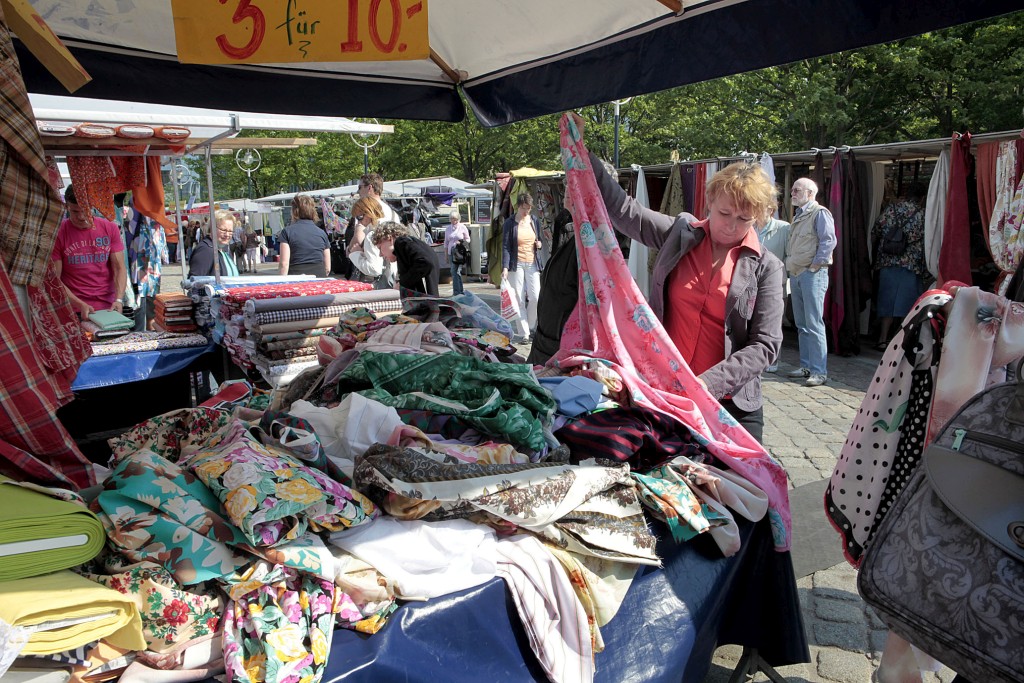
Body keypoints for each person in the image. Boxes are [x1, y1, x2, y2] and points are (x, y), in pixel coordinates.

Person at [589, 146, 784, 442]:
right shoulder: (680, 234)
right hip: (666, 391)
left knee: (738, 472)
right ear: (710, 201)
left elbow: (765, 345)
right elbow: (626, 211)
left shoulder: (767, 267)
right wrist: (582, 151)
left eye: (744, 219)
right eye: (725, 213)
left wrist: (708, 384)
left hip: (731, 404)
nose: (731, 226)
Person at [785, 177, 837, 387]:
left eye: (797, 190)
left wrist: (815, 265)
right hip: (797, 273)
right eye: (793, 190)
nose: (793, 193)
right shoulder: (799, 214)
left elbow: (829, 240)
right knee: (802, 324)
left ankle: (818, 371)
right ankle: (806, 366)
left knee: (814, 323)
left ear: (810, 193)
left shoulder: (820, 213)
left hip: (812, 274)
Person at [51, 183, 128, 318]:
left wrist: (119, 299)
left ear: (93, 206)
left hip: (108, 307)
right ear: (67, 207)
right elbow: (55, 278)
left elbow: (119, 268)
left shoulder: (110, 228)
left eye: (85, 211)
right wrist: (79, 304)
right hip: (72, 307)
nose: (81, 217)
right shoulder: (58, 232)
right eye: (75, 211)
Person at [871, 182, 928, 349]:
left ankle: (882, 339)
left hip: (887, 261)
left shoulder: (891, 209)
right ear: (922, 198)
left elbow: (876, 231)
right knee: (908, 304)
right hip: (911, 265)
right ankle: (901, 342)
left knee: (887, 301)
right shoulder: (922, 215)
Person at [501, 193, 543, 342]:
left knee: (535, 296)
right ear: (518, 206)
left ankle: (530, 326)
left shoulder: (534, 220)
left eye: (529, 208)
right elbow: (506, 246)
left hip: (532, 263)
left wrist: (539, 244)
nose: (526, 211)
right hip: (516, 263)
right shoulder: (510, 223)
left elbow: (539, 239)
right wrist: (505, 267)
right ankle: (524, 332)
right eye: (524, 208)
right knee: (518, 298)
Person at [757, 204, 790, 372]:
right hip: (752, 284)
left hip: (776, 284)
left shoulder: (784, 228)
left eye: (760, 207)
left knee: (773, 323)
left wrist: (784, 276)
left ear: (771, 210)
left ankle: (773, 360)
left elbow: (790, 255)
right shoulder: (750, 227)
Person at [371, 221, 439, 296]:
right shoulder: (413, 244)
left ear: (390, 239)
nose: (380, 254)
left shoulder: (401, 243)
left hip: (423, 300)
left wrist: (402, 283)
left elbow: (425, 263)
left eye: (380, 248)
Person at [348, 196, 396, 288]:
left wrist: (356, 254)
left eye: (359, 217)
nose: (359, 222)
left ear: (368, 213)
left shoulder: (372, 235)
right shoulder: (391, 227)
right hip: (396, 280)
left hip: (383, 286)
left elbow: (374, 269)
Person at [278, 194, 331, 277]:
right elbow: (327, 267)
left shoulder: (287, 232)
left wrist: (282, 281)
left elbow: (284, 264)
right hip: (319, 277)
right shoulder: (322, 233)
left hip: (296, 276)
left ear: (294, 211)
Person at [188, 209, 239, 278]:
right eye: (223, 230)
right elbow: (195, 280)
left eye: (230, 231)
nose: (227, 234)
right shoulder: (205, 250)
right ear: (212, 228)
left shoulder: (224, 249)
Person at [444, 209, 471, 295]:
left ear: (458, 219)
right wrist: (446, 255)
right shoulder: (448, 229)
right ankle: (460, 291)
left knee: (454, 271)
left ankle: (456, 292)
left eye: (455, 219)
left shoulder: (462, 227)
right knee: (455, 272)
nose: (454, 221)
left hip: (459, 252)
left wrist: (461, 242)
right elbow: (446, 242)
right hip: (451, 252)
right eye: (452, 219)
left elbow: (468, 239)